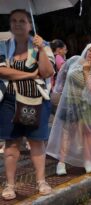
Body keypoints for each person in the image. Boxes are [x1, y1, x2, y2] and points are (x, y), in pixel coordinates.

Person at [0, 9, 55, 200]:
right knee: (11, 144)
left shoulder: (43, 45)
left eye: (22, 21)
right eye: (13, 21)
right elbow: (3, 72)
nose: (17, 24)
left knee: (36, 142)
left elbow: (47, 72)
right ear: (10, 24)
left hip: (36, 101)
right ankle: (10, 184)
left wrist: (40, 49)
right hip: (10, 101)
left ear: (29, 24)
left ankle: (41, 181)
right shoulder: (3, 46)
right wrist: (31, 75)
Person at [46, 42, 91, 175]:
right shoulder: (74, 60)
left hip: (87, 105)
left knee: (88, 133)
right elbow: (61, 76)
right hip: (70, 101)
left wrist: (86, 72)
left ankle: (88, 160)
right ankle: (61, 162)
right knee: (67, 133)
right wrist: (57, 91)